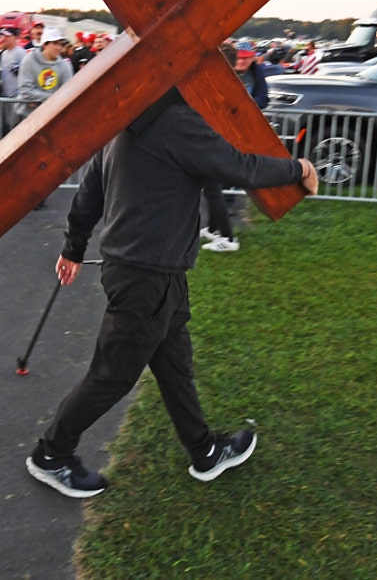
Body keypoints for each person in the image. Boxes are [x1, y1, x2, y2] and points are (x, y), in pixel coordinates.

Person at [27, 88, 319, 498]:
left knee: (175, 365)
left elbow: (89, 191)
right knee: (113, 375)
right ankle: (51, 455)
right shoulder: (176, 121)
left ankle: (205, 450)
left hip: (152, 271)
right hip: (146, 275)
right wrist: (299, 168)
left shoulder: (126, 118)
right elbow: (240, 167)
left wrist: (74, 247)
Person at [202, 41, 272, 253]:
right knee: (214, 185)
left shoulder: (253, 74)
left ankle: (228, 237)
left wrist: (244, 105)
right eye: (239, 58)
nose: (242, 61)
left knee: (215, 186)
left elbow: (262, 98)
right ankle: (215, 229)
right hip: (221, 135)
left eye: (246, 58)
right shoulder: (223, 75)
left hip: (235, 136)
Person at [17, 26, 73, 117]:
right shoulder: (29, 61)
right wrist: (53, 98)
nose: (59, 47)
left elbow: (66, 93)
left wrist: (38, 99)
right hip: (28, 116)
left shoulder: (65, 65)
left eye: (60, 44)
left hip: (53, 115)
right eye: (55, 43)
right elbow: (26, 90)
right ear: (45, 45)